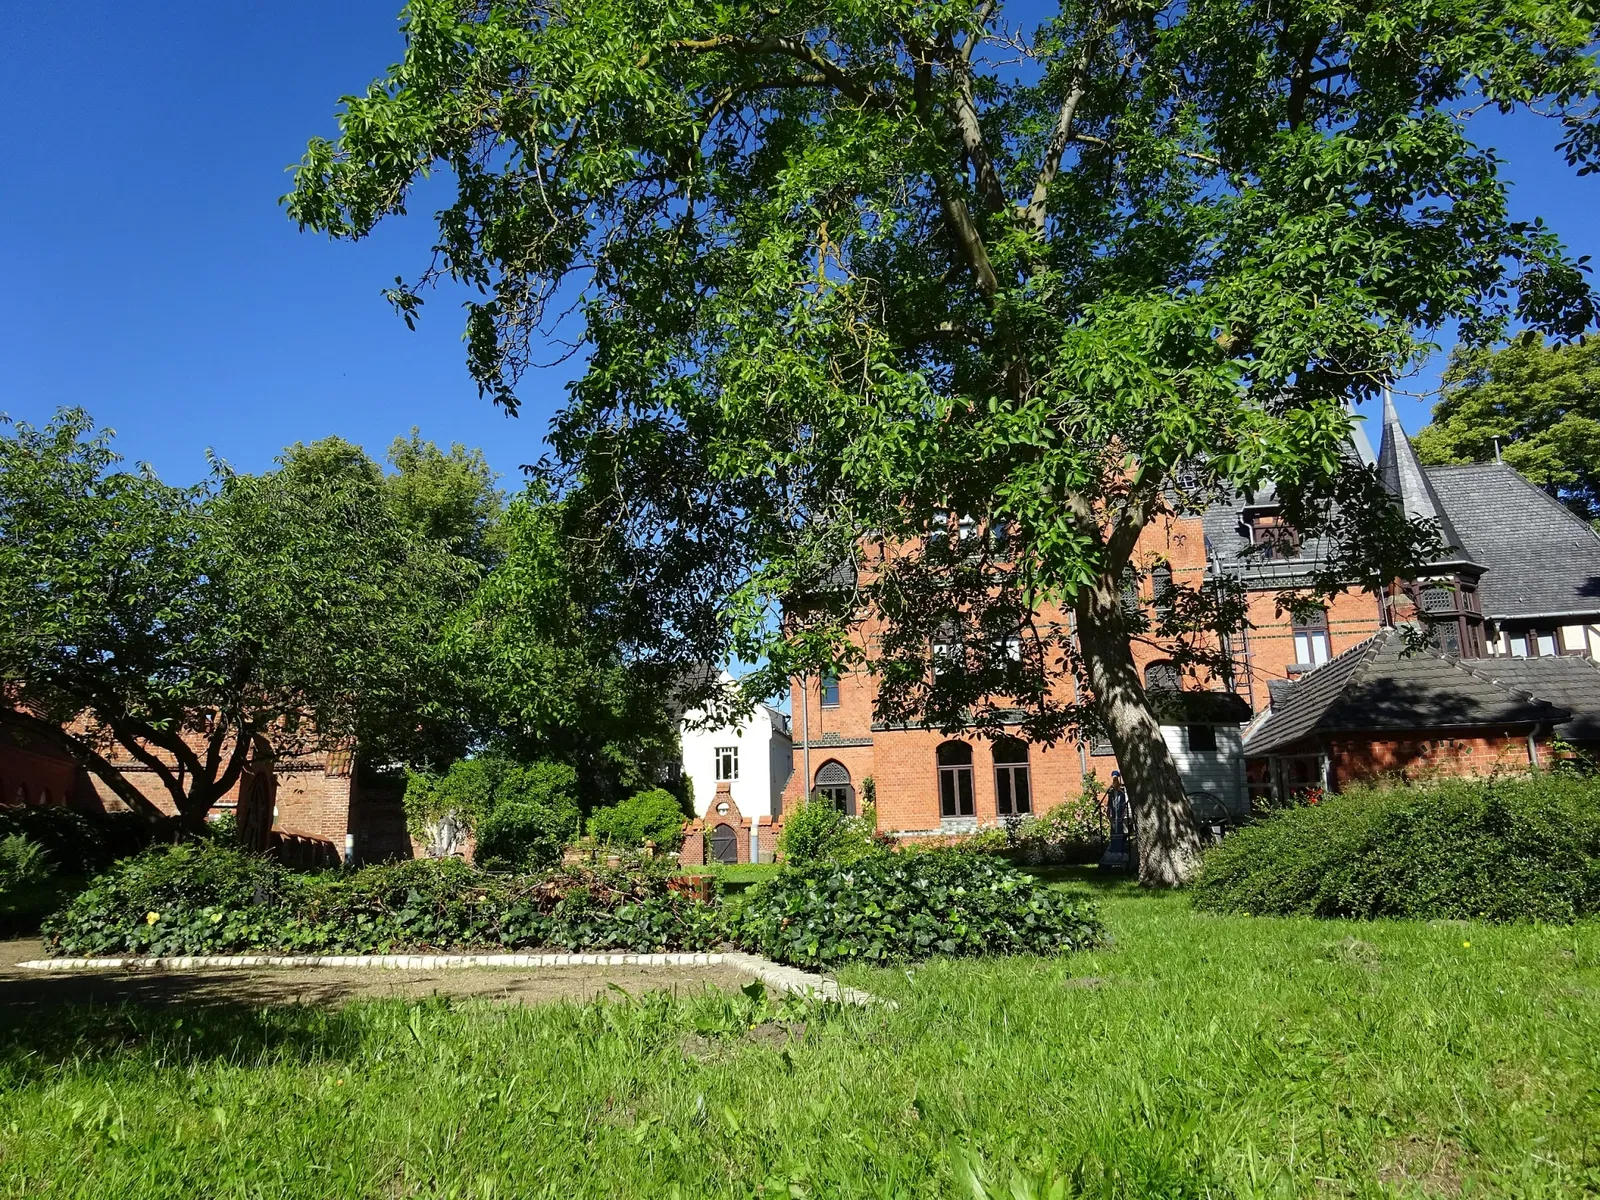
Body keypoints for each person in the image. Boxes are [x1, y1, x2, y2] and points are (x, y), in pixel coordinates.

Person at [1099, 770, 1132, 870]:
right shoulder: (1111, 794)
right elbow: (1109, 807)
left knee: (1121, 835)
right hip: (1114, 818)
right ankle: (1114, 854)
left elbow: (1124, 806)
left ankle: (1121, 854)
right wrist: (1110, 818)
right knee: (1114, 836)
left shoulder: (1122, 793)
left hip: (1121, 818)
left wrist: (1123, 816)